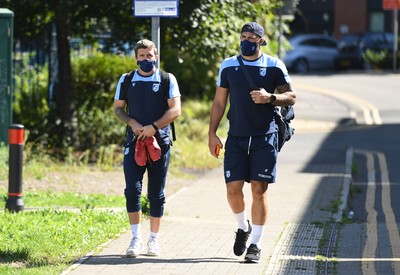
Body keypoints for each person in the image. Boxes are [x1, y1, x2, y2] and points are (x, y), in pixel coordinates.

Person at [208, 22, 296, 263]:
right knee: (233, 189)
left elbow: (292, 97)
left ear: (261, 41)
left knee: (259, 190)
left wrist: (271, 97)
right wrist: (212, 133)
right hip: (235, 137)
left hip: (264, 137)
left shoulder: (274, 65)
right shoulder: (228, 66)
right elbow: (218, 103)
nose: (246, 40)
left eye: (252, 37)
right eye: (243, 36)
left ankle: (256, 244)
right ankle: (243, 226)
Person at [114, 39, 181, 257]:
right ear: (136, 58)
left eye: (149, 56)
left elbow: (175, 110)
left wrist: (154, 127)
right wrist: (132, 123)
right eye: (141, 56)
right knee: (132, 190)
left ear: (156, 56)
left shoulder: (166, 79)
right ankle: (135, 238)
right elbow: (118, 109)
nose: (145, 59)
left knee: (156, 192)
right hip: (133, 143)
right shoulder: (126, 80)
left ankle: (154, 240)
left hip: (159, 143)